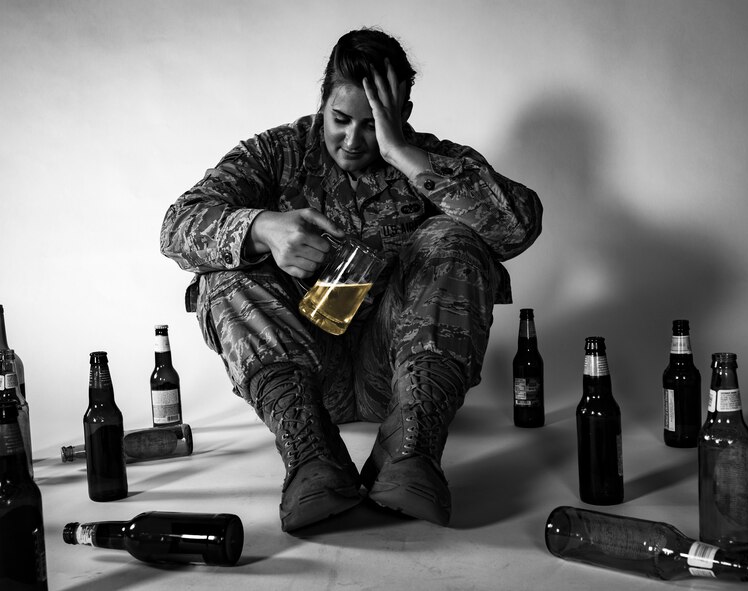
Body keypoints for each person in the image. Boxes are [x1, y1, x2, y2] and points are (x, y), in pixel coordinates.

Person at [160, 28, 543, 532]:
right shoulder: (278, 152)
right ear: (322, 104)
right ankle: (312, 458)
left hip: (401, 376)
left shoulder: (427, 158)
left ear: (402, 114)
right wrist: (261, 228)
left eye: (373, 124)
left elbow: (517, 226)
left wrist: (402, 153)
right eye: (340, 120)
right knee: (224, 272)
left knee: (454, 237)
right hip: (306, 376)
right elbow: (177, 226)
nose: (353, 139)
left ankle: (411, 452)